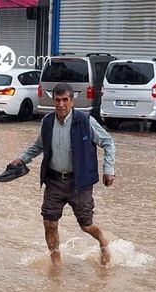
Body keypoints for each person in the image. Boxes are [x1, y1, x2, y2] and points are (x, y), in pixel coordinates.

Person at [11, 83, 116, 266]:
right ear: (53, 101)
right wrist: (22, 159)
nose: (61, 104)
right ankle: (56, 264)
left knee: (86, 225)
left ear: (72, 101)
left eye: (65, 100)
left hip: (80, 182)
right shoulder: (47, 122)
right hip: (54, 180)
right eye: (57, 100)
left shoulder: (85, 121)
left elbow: (108, 142)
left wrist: (109, 170)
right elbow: (39, 146)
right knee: (49, 222)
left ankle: (102, 240)